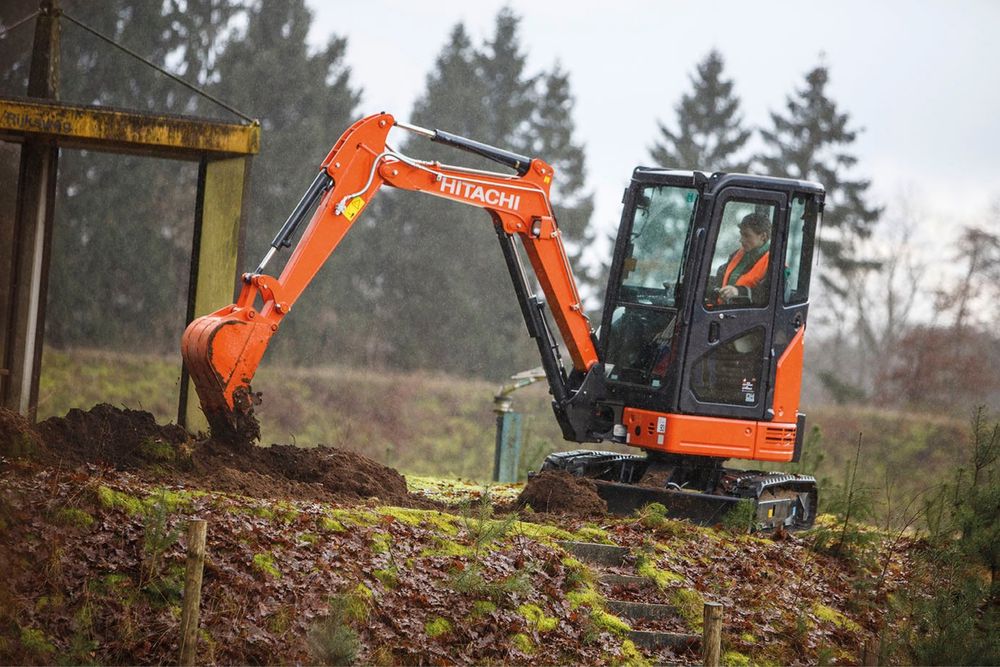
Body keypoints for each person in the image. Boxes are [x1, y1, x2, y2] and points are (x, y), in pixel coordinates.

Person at [714, 212, 771, 305]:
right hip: (723, 309)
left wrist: (739, 292)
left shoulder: (775, 262)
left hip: (747, 312)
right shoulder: (738, 254)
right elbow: (722, 275)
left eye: (747, 235)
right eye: (741, 235)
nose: (741, 240)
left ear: (763, 236)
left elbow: (768, 296)